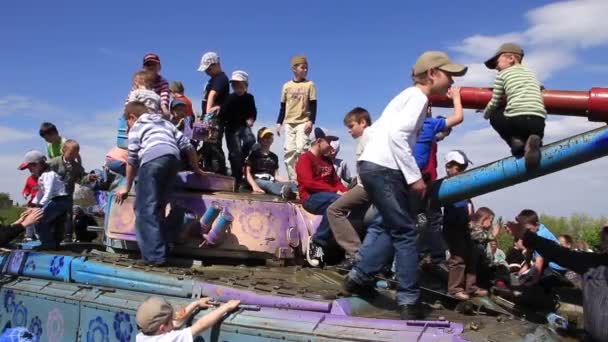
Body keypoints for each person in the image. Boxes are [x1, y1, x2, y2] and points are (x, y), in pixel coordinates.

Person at [343, 51, 467, 320]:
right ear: (432, 74)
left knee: (391, 226)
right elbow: (398, 136)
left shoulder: (405, 97)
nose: (451, 81)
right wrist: (414, 177)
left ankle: (358, 279)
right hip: (386, 168)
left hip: (375, 165)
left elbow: (380, 133)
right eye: (449, 75)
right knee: (407, 232)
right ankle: (409, 300)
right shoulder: (418, 97)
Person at [115, 101, 205, 266]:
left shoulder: (137, 126)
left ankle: (155, 257)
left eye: (127, 123)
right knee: (159, 208)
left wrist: (127, 187)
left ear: (131, 117)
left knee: (144, 209)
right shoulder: (164, 123)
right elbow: (188, 146)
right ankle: (164, 248)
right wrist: (196, 168)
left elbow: (132, 159)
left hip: (152, 160)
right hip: (173, 160)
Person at [506, 221, 608, 342]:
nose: (604, 235)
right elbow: (558, 253)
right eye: (605, 231)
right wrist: (527, 235)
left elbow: (558, 253)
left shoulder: (595, 266)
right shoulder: (595, 263)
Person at [414, 87, 464, 267]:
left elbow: (446, 129)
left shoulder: (426, 129)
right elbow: (455, 120)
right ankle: (432, 259)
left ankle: (430, 258)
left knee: (429, 220)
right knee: (428, 221)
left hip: (423, 181)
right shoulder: (427, 126)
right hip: (423, 181)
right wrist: (456, 99)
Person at [483, 43, 546, 169]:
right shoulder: (531, 73)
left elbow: (495, 101)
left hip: (518, 121)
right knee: (530, 127)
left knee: (495, 115)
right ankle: (533, 140)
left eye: (497, 62)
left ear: (511, 59)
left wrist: (485, 113)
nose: (496, 67)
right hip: (539, 122)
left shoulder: (502, 75)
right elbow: (540, 88)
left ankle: (515, 142)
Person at [326, 107, 373, 269]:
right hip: (366, 184)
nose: (349, 131)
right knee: (357, 220)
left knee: (334, 210)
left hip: (367, 186)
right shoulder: (369, 137)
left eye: (351, 126)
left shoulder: (368, 136)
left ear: (363, 123)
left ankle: (356, 254)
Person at [296, 127, 348, 267]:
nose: (331, 145)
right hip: (311, 198)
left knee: (344, 204)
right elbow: (308, 183)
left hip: (329, 198)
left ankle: (340, 251)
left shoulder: (327, 161)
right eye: (328, 141)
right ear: (319, 141)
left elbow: (336, 182)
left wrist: (347, 192)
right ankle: (317, 241)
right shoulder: (304, 159)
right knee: (337, 202)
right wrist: (335, 192)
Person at [441, 150, 487, 300]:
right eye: (458, 168)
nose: (462, 171)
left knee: (471, 254)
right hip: (453, 226)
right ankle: (455, 289)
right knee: (458, 257)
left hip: (463, 225)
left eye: (463, 168)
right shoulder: (448, 186)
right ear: (448, 167)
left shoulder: (463, 185)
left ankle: (471, 286)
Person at [18, 150, 70, 250]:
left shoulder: (48, 174)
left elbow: (48, 191)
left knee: (39, 219)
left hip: (60, 200)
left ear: (38, 164)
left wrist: (40, 206)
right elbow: (41, 192)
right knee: (55, 222)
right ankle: (55, 243)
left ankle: (48, 244)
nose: (29, 170)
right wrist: (33, 203)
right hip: (60, 201)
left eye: (30, 167)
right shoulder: (42, 176)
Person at [276, 55, 317, 181]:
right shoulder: (286, 86)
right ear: (294, 69)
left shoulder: (310, 84)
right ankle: (294, 179)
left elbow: (313, 104)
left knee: (301, 149)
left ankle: (304, 178)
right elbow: (283, 106)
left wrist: (311, 121)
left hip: (303, 121)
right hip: (289, 122)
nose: (305, 70)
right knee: (289, 151)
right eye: (302, 67)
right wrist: (279, 122)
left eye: (306, 68)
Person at [136, 296, 240, 341]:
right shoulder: (169, 339)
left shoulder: (141, 336)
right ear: (162, 328)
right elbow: (201, 325)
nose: (174, 320)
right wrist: (225, 307)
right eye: (170, 320)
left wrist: (196, 303)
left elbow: (177, 320)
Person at [221, 71, 257, 186]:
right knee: (235, 152)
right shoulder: (230, 98)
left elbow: (253, 112)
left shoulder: (249, 98)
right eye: (234, 85)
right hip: (231, 128)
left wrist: (251, 119)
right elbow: (223, 113)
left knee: (250, 140)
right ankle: (237, 179)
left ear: (245, 85)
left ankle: (242, 157)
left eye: (239, 85)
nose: (237, 87)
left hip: (243, 126)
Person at [197, 52, 230, 175]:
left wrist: (207, 115)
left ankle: (219, 171)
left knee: (214, 144)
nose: (207, 71)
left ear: (216, 64)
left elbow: (212, 95)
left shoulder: (221, 78)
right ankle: (208, 168)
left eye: (209, 68)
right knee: (207, 144)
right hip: (209, 117)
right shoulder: (213, 79)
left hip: (214, 119)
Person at [48, 139, 86, 242]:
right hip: (53, 196)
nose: (73, 156)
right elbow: (44, 173)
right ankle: (49, 236)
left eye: (75, 155)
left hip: (67, 196)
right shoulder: (54, 163)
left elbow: (82, 178)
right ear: (64, 151)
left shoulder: (77, 167)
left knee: (67, 216)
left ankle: (67, 237)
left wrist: (89, 178)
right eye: (71, 154)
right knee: (52, 216)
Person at [515, 209, 566, 284]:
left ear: (536, 224)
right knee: (522, 277)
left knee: (530, 283)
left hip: (556, 267)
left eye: (528, 229)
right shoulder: (535, 230)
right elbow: (529, 249)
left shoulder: (541, 235)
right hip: (547, 263)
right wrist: (526, 265)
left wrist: (534, 281)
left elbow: (539, 261)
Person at [245, 128, 297, 199]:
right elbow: (247, 173)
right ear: (260, 139)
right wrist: (254, 186)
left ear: (272, 140)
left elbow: (276, 176)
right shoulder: (254, 154)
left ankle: (295, 193)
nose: (267, 139)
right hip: (258, 180)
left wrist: (289, 181)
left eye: (269, 137)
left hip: (271, 180)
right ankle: (284, 192)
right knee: (269, 184)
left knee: (293, 184)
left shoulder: (274, 157)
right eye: (265, 137)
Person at [21, 174, 40, 240]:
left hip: (42, 201)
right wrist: (25, 193)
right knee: (27, 215)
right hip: (33, 202)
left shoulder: (44, 177)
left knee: (38, 217)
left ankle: (38, 234)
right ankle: (29, 236)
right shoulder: (30, 178)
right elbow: (26, 189)